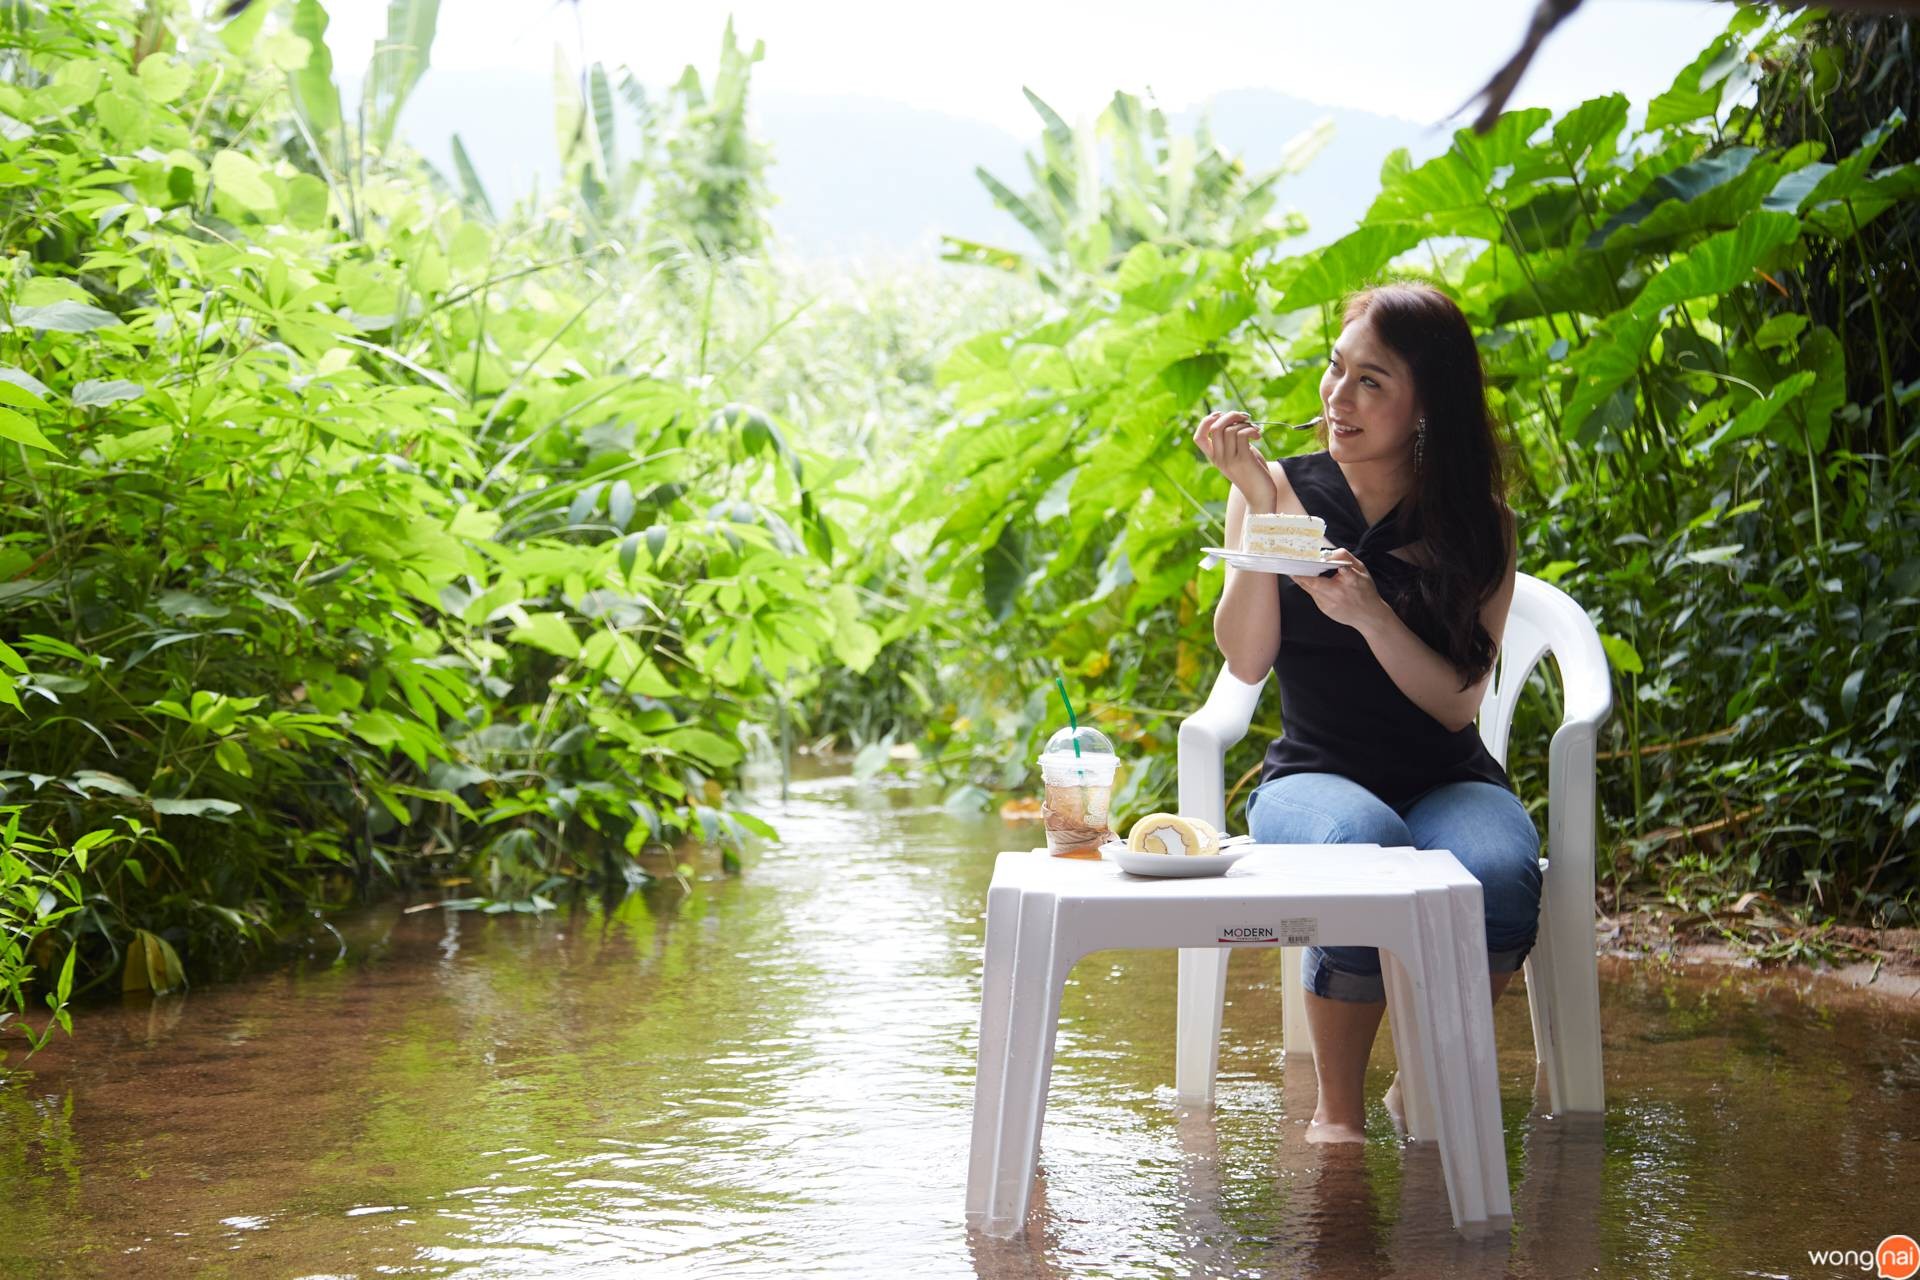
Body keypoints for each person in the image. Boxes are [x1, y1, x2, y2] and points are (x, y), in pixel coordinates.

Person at [1192, 281, 1538, 1144]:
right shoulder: (1278, 488)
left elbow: (1459, 705)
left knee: (1499, 870)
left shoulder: (1478, 524)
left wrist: (1371, 614)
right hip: (1314, 776)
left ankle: (1424, 1083)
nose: (1337, 399)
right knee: (1361, 849)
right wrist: (1260, 510)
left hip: (1445, 776)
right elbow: (1245, 656)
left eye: (1370, 382)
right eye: (1334, 371)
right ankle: (1337, 1113)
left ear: (1427, 405)